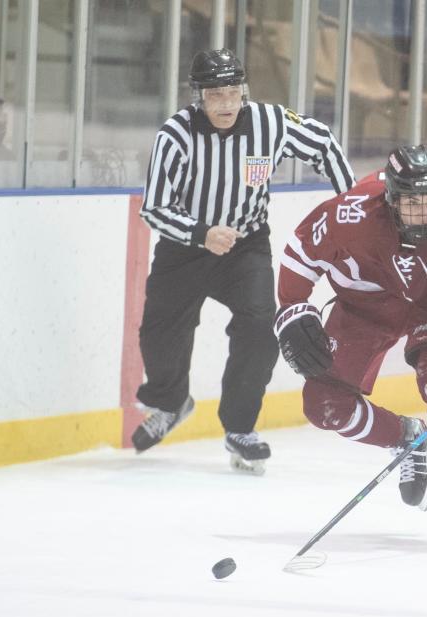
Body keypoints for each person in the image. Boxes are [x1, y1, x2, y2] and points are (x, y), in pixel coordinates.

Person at [274, 144, 427, 546]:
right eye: (411, 203)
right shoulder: (350, 214)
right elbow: (299, 255)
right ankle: (406, 437)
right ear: (390, 200)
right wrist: (294, 309)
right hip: (365, 306)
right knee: (323, 406)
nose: (423, 211)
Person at [133, 48, 355, 474]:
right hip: (184, 247)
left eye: (233, 93)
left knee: (259, 327)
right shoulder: (175, 135)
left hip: (245, 246)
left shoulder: (271, 123)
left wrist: (353, 205)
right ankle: (170, 400)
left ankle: (239, 428)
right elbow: (154, 208)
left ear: (244, 92)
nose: (226, 105)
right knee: (159, 334)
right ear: (199, 96)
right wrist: (201, 233)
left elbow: (323, 144)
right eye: (215, 95)